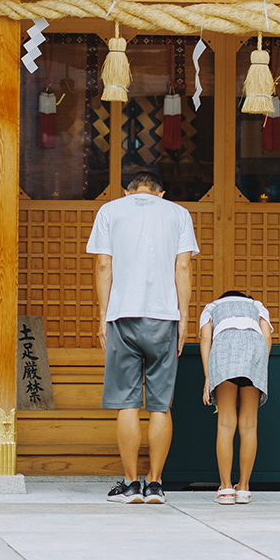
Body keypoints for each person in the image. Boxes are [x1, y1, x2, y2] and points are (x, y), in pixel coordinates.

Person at [88, 168, 197, 504]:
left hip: (122, 315)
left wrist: (103, 317)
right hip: (164, 317)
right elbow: (183, 267)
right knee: (161, 405)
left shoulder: (109, 211)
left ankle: (131, 483)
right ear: (161, 193)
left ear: (127, 191)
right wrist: (184, 318)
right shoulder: (179, 213)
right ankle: (156, 484)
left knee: (127, 402)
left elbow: (103, 266)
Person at [199, 289, 271, 505]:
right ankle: (244, 488)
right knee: (249, 425)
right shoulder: (256, 306)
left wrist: (208, 377)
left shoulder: (211, 307)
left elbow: (206, 338)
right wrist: (259, 365)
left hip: (224, 350)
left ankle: (226, 488)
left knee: (225, 423)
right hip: (255, 349)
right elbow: (267, 336)